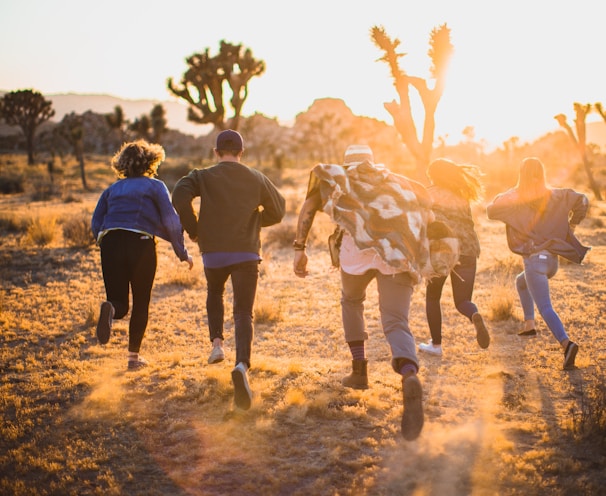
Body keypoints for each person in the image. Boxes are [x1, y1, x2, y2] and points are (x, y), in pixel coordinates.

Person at [293, 144, 433, 441]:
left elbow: (308, 208)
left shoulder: (339, 180)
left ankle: (359, 372)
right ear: (373, 161)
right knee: (396, 320)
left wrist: (299, 248)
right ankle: (409, 372)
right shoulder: (395, 181)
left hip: (354, 256)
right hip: (395, 254)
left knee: (352, 302)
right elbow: (426, 202)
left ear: (346, 163)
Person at [172, 129, 285, 410]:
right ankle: (242, 365)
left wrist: (195, 228)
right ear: (241, 153)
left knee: (215, 292)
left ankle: (217, 346)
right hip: (246, 251)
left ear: (216, 152)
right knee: (243, 311)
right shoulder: (256, 177)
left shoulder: (202, 176)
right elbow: (279, 209)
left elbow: (178, 196)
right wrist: (256, 220)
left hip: (214, 253)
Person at [92, 140, 194, 370]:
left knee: (119, 303)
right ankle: (133, 359)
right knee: (141, 302)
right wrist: (182, 252)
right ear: (150, 162)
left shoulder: (112, 189)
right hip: (140, 243)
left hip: (110, 241)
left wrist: (103, 241)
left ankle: (111, 310)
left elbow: (96, 220)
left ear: (122, 164)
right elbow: (170, 220)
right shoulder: (155, 186)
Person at [486, 157, 590, 370]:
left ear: (521, 175)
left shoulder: (515, 197)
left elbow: (491, 209)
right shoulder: (556, 194)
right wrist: (573, 224)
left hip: (534, 260)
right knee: (521, 282)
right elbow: (584, 200)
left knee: (545, 306)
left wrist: (511, 191)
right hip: (552, 262)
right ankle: (529, 324)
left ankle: (566, 344)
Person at [418, 158, 490, 356]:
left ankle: (436, 345)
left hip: (442, 250)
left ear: (433, 175)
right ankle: (473, 313)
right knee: (462, 301)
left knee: (433, 297)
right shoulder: (461, 196)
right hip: (468, 249)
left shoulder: (429, 194)